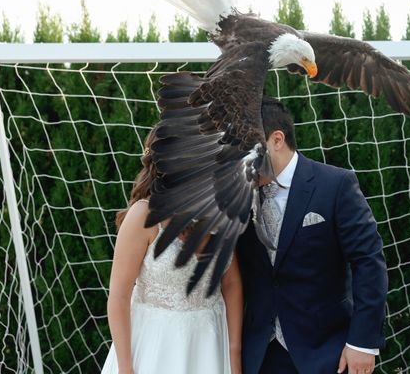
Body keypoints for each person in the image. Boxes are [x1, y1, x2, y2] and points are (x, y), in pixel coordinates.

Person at [237, 97, 388, 374]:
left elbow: (368, 261)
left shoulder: (335, 185)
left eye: (244, 149)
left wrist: (363, 342)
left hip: (327, 352)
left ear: (277, 140)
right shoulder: (237, 194)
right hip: (259, 354)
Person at [101, 127, 243, 374]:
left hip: (210, 344)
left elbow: (232, 283)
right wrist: (125, 367)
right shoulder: (143, 216)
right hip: (156, 348)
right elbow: (118, 296)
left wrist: (233, 353)